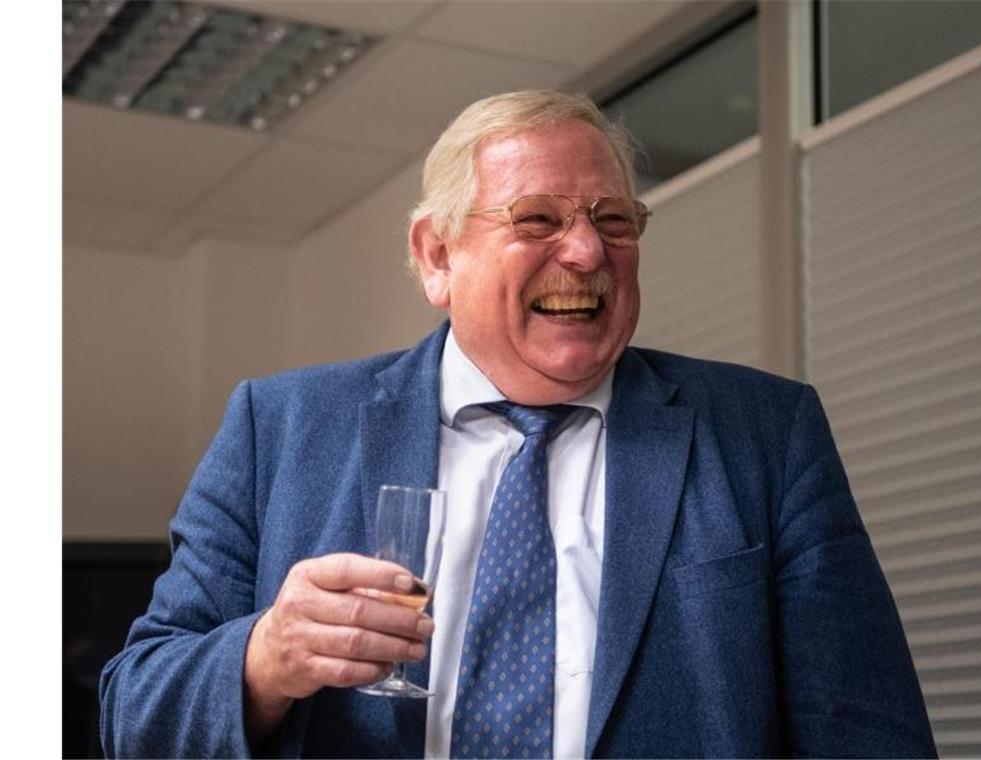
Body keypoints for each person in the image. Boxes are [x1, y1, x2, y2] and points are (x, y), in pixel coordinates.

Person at [99, 90, 936, 758]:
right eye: (537, 218)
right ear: (437, 255)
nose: (587, 253)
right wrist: (264, 659)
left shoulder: (764, 433)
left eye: (614, 221)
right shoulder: (280, 428)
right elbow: (133, 710)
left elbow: (867, 731)